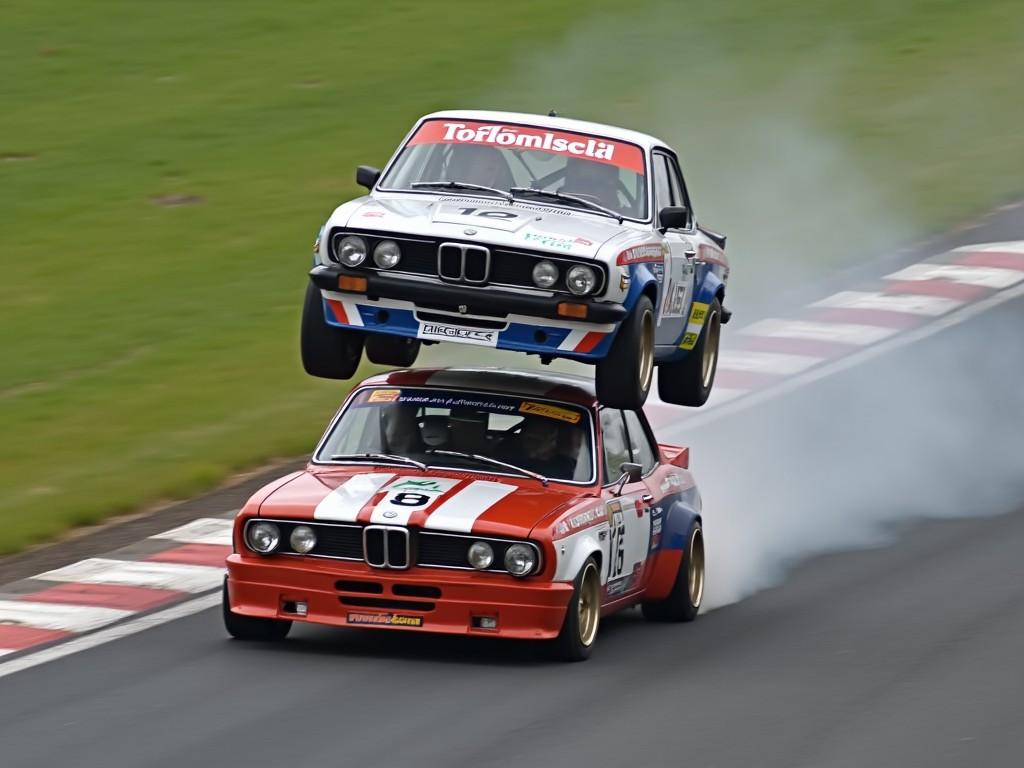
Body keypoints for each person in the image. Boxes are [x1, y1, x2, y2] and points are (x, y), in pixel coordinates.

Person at [507, 417, 576, 479]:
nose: (529, 443)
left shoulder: (566, 466)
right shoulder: (511, 456)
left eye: (536, 439)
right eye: (528, 438)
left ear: (553, 440)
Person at [445, 144, 514, 190]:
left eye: (496, 169)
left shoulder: (511, 201)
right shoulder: (442, 193)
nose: (494, 174)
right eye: (489, 168)